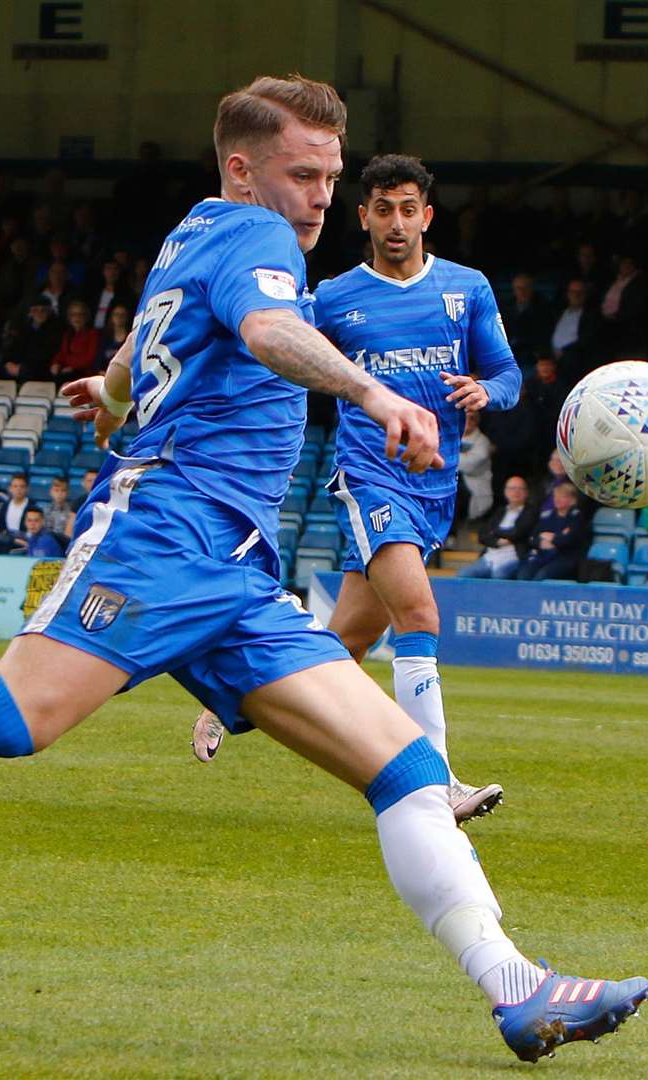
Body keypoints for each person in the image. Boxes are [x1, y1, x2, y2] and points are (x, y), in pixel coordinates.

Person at [0, 76, 647, 1065]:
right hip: (164, 532)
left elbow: (156, 333)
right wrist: (374, 395)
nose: (321, 199)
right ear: (245, 169)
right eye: (304, 175)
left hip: (237, 570)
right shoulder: (255, 240)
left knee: (410, 772)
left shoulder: (195, 232)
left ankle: (516, 990)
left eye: (331, 178)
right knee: (6, 720)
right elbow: (265, 331)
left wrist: (113, 385)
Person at [196, 154, 521, 823]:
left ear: (426, 216)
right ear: (364, 215)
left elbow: (509, 375)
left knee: (341, 643)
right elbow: (278, 356)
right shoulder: (336, 299)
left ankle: (228, 692)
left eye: (408, 209)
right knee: (420, 617)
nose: (396, 222)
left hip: (433, 488)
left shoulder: (467, 289)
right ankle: (437, 785)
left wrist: (485, 389)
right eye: (382, 208)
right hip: (370, 479)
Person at [459, 475, 538, 580]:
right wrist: (498, 541)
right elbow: (482, 535)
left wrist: (495, 532)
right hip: (491, 556)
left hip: (513, 557)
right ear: (506, 492)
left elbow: (517, 533)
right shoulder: (500, 511)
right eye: (512, 489)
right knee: (464, 574)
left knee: (499, 575)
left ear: (526, 492)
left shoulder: (531, 512)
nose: (516, 492)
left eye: (520, 489)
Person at [517, 479, 590, 581]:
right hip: (543, 555)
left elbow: (568, 540)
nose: (557, 499)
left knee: (541, 576)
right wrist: (542, 542)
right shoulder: (547, 516)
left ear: (573, 500)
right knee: (524, 574)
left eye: (562, 497)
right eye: (555, 496)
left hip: (565, 558)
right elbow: (532, 538)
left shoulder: (576, 518)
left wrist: (551, 538)